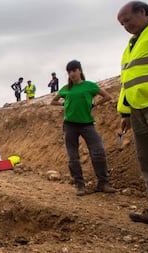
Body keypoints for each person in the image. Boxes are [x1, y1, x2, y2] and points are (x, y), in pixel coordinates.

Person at [117, 1, 148, 225]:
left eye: (128, 20)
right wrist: (125, 112)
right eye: (121, 23)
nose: (125, 26)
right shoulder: (132, 43)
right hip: (137, 109)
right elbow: (129, 79)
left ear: (143, 12)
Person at [50, 60, 116, 196]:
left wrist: (95, 104)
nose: (72, 74)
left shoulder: (90, 86)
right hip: (70, 125)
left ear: (80, 70)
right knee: (73, 156)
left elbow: (107, 96)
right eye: (69, 72)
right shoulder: (66, 88)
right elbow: (53, 101)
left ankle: (103, 183)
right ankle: (80, 186)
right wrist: (65, 105)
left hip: (87, 124)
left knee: (98, 152)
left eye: (74, 70)